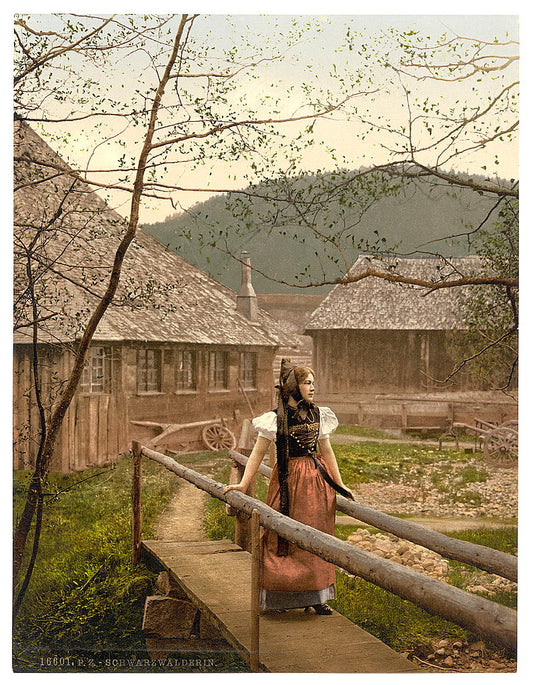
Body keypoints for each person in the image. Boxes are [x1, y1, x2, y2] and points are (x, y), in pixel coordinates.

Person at [224, 358, 353, 615]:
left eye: (313, 383)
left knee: (317, 536)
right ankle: (278, 598)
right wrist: (242, 484)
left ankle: (316, 597)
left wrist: (339, 484)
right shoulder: (274, 419)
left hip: (316, 483)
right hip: (288, 481)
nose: (312, 388)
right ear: (293, 387)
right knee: (279, 536)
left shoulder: (319, 414)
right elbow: (258, 455)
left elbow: (327, 452)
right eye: (307, 383)